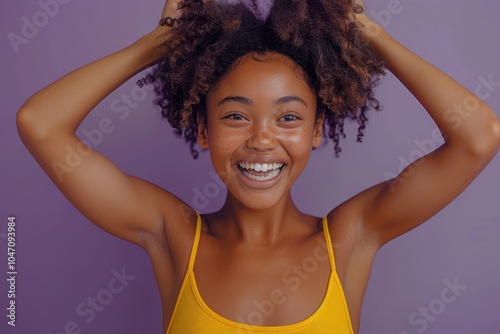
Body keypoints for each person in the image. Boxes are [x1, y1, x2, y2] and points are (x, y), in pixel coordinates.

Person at [16, 0, 500, 333]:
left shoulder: (349, 239)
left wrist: (367, 32)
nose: (263, 139)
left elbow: (479, 137)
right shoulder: (172, 233)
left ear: (316, 130)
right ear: (203, 131)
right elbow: (40, 124)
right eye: (235, 116)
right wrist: (159, 44)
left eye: (288, 116)